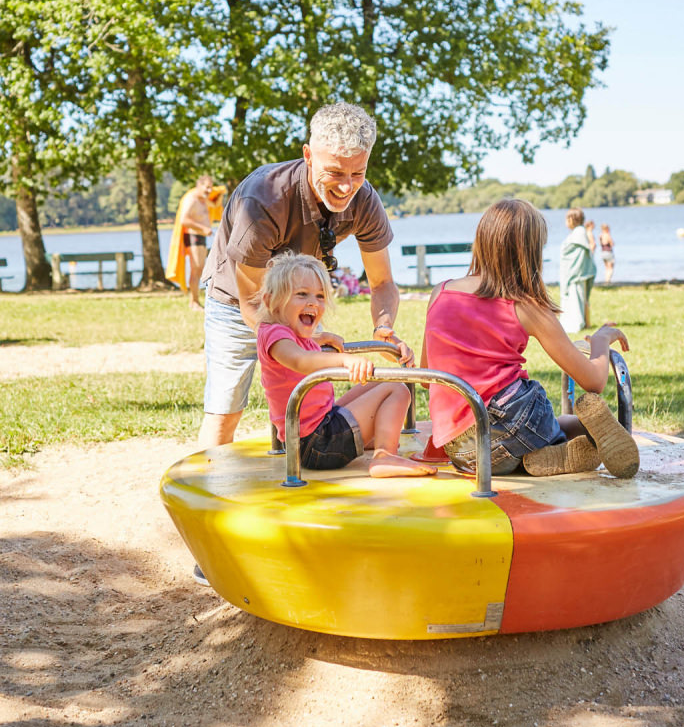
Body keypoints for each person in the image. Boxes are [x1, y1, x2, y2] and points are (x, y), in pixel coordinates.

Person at [197, 102, 412, 448]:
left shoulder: (365, 200)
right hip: (237, 299)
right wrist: (295, 343)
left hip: (295, 305)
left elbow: (383, 283)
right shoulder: (264, 198)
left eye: (357, 173)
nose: (347, 187)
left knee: (317, 402)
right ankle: (210, 489)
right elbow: (254, 303)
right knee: (225, 410)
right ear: (308, 155)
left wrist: (384, 328)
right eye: (335, 173)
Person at [421, 199, 639, 478]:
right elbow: (593, 381)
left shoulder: (440, 293)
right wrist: (600, 341)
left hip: (465, 452)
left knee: (527, 431)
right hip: (515, 420)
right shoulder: (525, 305)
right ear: (530, 253)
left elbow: (429, 378)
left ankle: (546, 454)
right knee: (534, 413)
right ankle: (583, 434)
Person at [256, 253, 435, 478]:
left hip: (314, 436)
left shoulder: (285, 333)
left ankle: (376, 437)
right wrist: (344, 360)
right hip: (318, 443)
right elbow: (300, 361)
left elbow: (298, 346)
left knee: (385, 381)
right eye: (301, 294)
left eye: (320, 296)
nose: (313, 302)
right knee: (397, 389)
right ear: (269, 301)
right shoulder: (276, 335)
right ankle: (385, 455)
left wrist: (320, 338)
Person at [169, 175, 213, 307]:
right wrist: (203, 228)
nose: (209, 190)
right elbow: (184, 220)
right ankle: (193, 302)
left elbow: (216, 200)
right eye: (207, 187)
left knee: (200, 269)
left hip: (201, 236)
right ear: (199, 186)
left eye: (211, 187)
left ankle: (197, 300)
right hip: (193, 236)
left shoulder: (203, 199)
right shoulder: (191, 199)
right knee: (196, 269)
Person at [559, 208, 597, 333]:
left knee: (578, 299)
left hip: (576, 273)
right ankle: (585, 323)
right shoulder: (578, 232)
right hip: (575, 272)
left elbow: (583, 251)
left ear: (571, 219)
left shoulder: (579, 233)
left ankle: (579, 323)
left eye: (566, 219)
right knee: (578, 299)